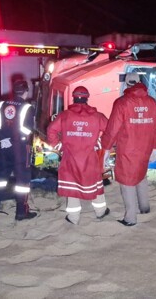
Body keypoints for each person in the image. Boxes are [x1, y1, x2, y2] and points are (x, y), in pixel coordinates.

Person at [101, 73, 156, 226]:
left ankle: (130, 218)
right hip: (145, 147)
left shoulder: (122, 103)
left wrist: (106, 148)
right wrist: (154, 147)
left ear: (126, 84)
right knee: (141, 175)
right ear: (140, 82)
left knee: (127, 181)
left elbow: (112, 129)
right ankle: (145, 207)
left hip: (128, 148)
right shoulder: (152, 102)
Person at [46, 86, 109, 225]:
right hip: (90, 157)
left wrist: (59, 146)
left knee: (72, 188)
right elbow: (110, 131)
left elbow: (51, 130)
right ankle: (100, 212)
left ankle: (73, 218)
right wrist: (98, 144)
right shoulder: (97, 116)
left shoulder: (65, 115)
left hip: (70, 157)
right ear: (87, 98)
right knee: (96, 185)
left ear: (73, 98)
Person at [0, 80, 36, 221]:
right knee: (22, 180)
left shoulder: (1, 105)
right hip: (20, 148)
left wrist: (3, 139)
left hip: (4, 146)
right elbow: (27, 130)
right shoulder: (27, 108)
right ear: (26, 91)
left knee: (0, 177)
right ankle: (21, 211)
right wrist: (13, 140)